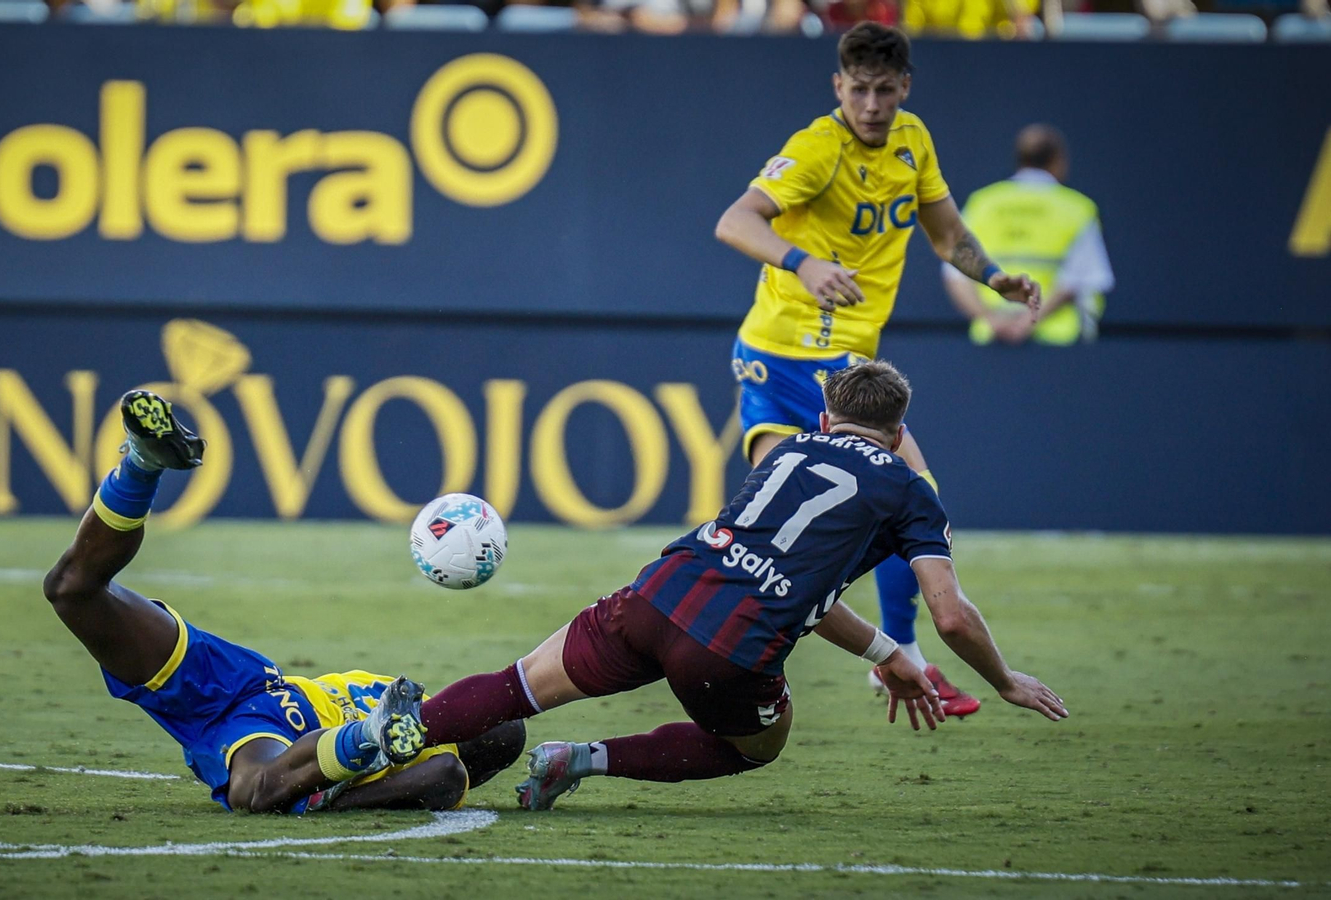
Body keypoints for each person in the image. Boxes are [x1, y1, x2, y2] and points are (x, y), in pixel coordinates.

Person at [382, 361, 1066, 811]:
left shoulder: (790, 450)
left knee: (522, 682)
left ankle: (376, 743)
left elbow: (794, 582)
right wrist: (1003, 680)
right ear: (899, 431)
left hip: (662, 593)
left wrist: (887, 653)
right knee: (757, 746)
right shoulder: (910, 491)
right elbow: (951, 617)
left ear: (826, 420)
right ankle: (580, 760)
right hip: (730, 651)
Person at [712, 22, 1040, 718]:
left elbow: (947, 235)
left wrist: (997, 279)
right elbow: (735, 222)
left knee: (909, 498)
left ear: (904, 89)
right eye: (857, 89)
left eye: (883, 90)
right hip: (780, 355)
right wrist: (803, 262)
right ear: (839, 86)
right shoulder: (815, 149)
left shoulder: (912, 141)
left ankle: (903, 654)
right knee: (796, 521)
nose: (870, 104)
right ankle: (738, 654)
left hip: (847, 362)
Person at [42, 390, 523, 814]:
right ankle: (144, 460)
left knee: (72, 593)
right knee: (72, 589)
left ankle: (141, 465)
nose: (473, 716)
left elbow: (445, 779)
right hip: (249, 680)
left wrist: (366, 748)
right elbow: (480, 740)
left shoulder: (429, 767)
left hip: (258, 729)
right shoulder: (408, 710)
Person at [943, 125, 1115, 346]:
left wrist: (990, 318)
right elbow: (1082, 277)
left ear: (1020, 159)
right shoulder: (1077, 209)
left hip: (993, 342)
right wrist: (1029, 321)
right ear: (1058, 160)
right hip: (1057, 343)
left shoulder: (983, 204)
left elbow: (955, 274)